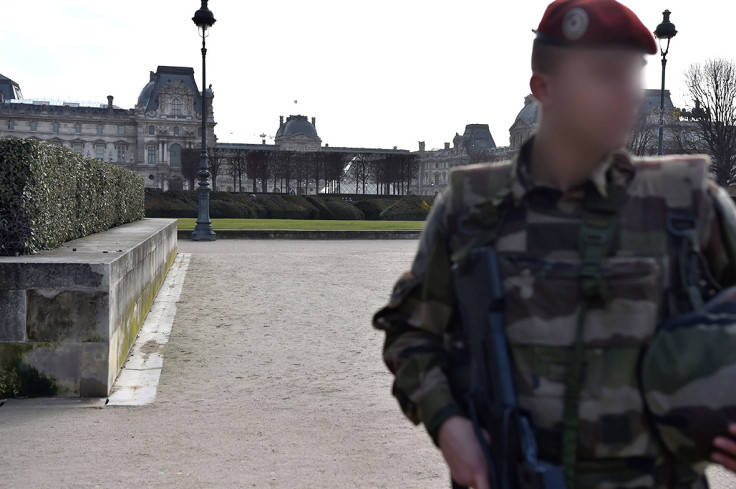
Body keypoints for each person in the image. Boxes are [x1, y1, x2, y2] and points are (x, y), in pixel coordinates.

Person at [372, 1, 736, 488]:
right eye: (604, 74)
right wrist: (449, 425)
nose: (630, 95)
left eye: (632, 74)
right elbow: (409, 333)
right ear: (543, 90)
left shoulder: (692, 204)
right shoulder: (470, 207)